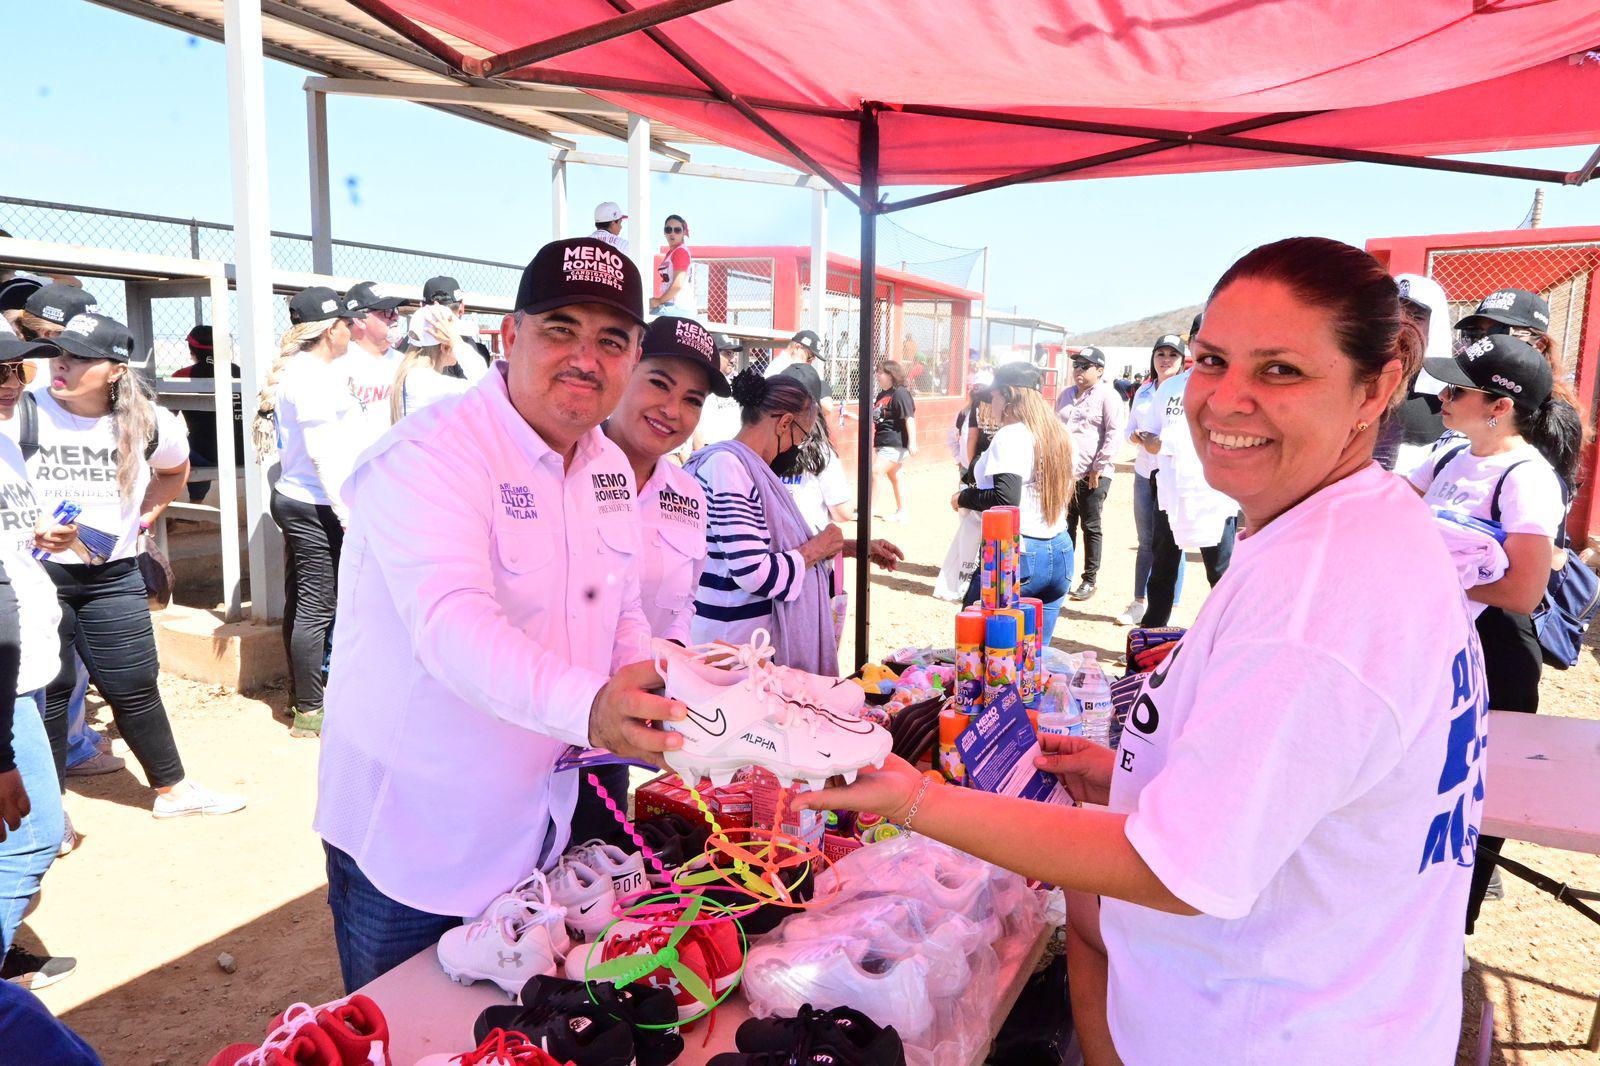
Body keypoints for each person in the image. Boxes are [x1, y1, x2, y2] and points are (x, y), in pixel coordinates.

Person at [800, 237, 1483, 1066]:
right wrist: (1135, 772)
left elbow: (1175, 872)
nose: (1225, 401)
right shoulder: (1355, 523)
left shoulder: (1316, 595)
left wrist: (917, 803)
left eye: (1280, 371)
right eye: (1212, 359)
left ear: (1373, 389)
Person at [313, 237, 680, 992]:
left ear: (634, 354)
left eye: (611, 340)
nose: (586, 357)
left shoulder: (606, 464)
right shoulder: (432, 455)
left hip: (537, 823)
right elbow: (452, 626)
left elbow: (621, 604)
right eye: (560, 330)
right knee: (410, 1039)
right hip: (417, 839)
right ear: (508, 337)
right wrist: (593, 708)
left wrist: (645, 676)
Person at [29, 313, 244, 818]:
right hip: (38, 577)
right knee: (52, 692)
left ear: (115, 370)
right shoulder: (25, 411)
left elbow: (174, 472)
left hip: (112, 577)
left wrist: (141, 521)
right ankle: (45, 815)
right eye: (60, 352)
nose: (62, 363)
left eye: (80, 356)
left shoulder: (149, 422)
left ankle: (173, 791)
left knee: (135, 684)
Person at [1410, 333, 1576, 938]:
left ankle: (1456, 926)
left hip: (1496, 654)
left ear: (1499, 405)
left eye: (1455, 389)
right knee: (1423, 783)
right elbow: (1393, 507)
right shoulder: (1452, 456)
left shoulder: (1527, 477)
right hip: (1444, 646)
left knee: (1476, 800)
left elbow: (1524, 591)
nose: (1442, 397)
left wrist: (1432, 574)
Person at [576, 315, 725, 848]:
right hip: (539, 721)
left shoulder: (689, 494)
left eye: (692, 399)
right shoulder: (563, 469)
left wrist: (676, 658)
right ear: (624, 372)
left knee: (592, 873)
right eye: (659, 383)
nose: (672, 410)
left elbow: (685, 599)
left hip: (620, 727)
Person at [683, 373, 846, 672]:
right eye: (802, 437)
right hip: (732, 652)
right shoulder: (727, 468)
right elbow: (753, 573)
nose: (797, 448)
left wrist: (849, 547)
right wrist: (816, 550)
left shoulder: (740, 466)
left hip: (742, 647)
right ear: (784, 423)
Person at [254, 287, 361, 739]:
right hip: (315, 502)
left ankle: (306, 698)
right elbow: (322, 454)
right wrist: (347, 512)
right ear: (330, 330)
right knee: (318, 605)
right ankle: (311, 709)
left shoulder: (306, 370)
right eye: (346, 324)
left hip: (302, 497)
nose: (352, 331)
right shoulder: (312, 377)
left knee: (304, 602)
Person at [0, 336, 70, 988]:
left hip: (28, 667)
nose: (9, 380)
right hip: (6, 679)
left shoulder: (3, 441)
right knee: (34, 833)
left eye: (15, 366)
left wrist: (35, 538)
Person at [1132, 314, 1240, 630]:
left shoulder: (1233, 386)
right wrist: (1154, 442)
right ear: (1193, 342)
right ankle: (1151, 637)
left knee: (1220, 573)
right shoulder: (1172, 388)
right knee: (1163, 570)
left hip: (1215, 495)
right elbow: (1150, 435)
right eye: (1201, 336)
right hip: (1172, 492)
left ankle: (1227, 639)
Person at [956, 362, 1075, 642]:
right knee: (1034, 659)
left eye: (994, 397)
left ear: (1008, 395)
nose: (991, 405)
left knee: (980, 653)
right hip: (1058, 550)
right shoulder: (1060, 433)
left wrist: (963, 496)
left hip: (1019, 552)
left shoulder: (1012, 435)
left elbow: (1005, 499)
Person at [1117, 335, 1187, 627]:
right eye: (1160, 353)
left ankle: (1169, 605)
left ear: (1183, 360)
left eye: (1173, 354)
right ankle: (1139, 602)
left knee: (1173, 541)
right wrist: (1134, 436)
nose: (1166, 359)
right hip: (1145, 474)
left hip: (1173, 476)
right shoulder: (1144, 391)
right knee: (1146, 541)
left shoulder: (1186, 390)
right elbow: (1129, 428)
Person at [1055, 346, 1126, 603]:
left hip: (1093, 474)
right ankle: (1064, 576)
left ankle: (1089, 579)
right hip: (1065, 473)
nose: (1078, 371)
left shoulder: (1108, 396)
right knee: (1065, 525)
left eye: (1085, 366)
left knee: (1090, 525)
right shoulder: (1064, 396)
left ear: (1099, 370)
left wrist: (1098, 466)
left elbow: (1114, 433)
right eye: (1076, 365)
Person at [1381, 275, 1451, 477]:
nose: (1402, 324)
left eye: (1415, 316)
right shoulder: (1359, 376)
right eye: (1394, 313)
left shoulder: (1453, 391)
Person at [171, 325, 244, 503]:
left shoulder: (183, 376)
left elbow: (166, 419)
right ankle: (194, 504)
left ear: (192, 349)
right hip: (243, 454)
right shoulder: (240, 372)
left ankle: (191, 502)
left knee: (179, 445)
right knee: (201, 443)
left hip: (207, 457)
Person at [338, 282, 406, 450]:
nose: (395, 317)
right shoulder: (339, 364)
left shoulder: (404, 362)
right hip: (356, 466)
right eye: (386, 312)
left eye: (395, 311)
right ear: (359, 320)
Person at [391, 305, 471, 422]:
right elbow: (487, 387)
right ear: (445, 346)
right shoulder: (425, 380)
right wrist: (457, 344)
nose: (461, 340)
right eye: (456, 337)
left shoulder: (414, 373)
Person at [871, 361, 917, 522]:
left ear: (890, 375)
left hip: (895, 442)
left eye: (880, 372)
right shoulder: (882, 395)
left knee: (877, 471)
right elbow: (878, 418)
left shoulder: (900, 393)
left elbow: (909, 417)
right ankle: (902, 512)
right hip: (883, 441)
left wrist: (913, 442)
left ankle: (869, 509)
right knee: (895, 477)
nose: (877, 375)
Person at [422, 276, 491, 380]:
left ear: (421, 306)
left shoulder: (410, 343)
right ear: (462, 308)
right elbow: (482, 384)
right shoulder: (465, 344)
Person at [691, 333, 744, 450]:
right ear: (713, 354)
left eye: (733, 354)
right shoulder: (700, 382)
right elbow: (695, 428)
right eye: (728, 354)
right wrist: (701, 456)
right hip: (711, 450)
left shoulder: (731, 382)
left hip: (733, 449)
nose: (733, 359)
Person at [650, 215, 697, 318]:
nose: (672, 233)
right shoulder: (673, 252)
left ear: (683, 232)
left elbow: (678, 284)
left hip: (679, 308)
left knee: (644, 320)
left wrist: (658, 301)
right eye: (668, 229)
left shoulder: (680, 252)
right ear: (664, 232)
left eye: (677, 230)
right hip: (672, 306)